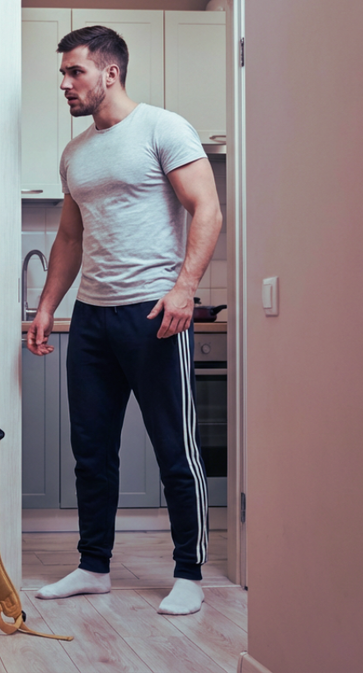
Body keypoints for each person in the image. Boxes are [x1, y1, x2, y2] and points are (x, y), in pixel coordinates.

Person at [25, 26, 223, 616]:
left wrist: (184, 288)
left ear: (110, 73)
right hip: (92, 316)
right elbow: (69, 237)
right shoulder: (75, 153)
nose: (65, 84)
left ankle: (189, 573)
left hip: (153, 312)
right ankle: (93, 566)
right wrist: (47, 307)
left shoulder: (163, 128)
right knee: (90, 451)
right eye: (63, 73)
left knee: (174, 448)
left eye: (75, 72)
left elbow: (207, 209)